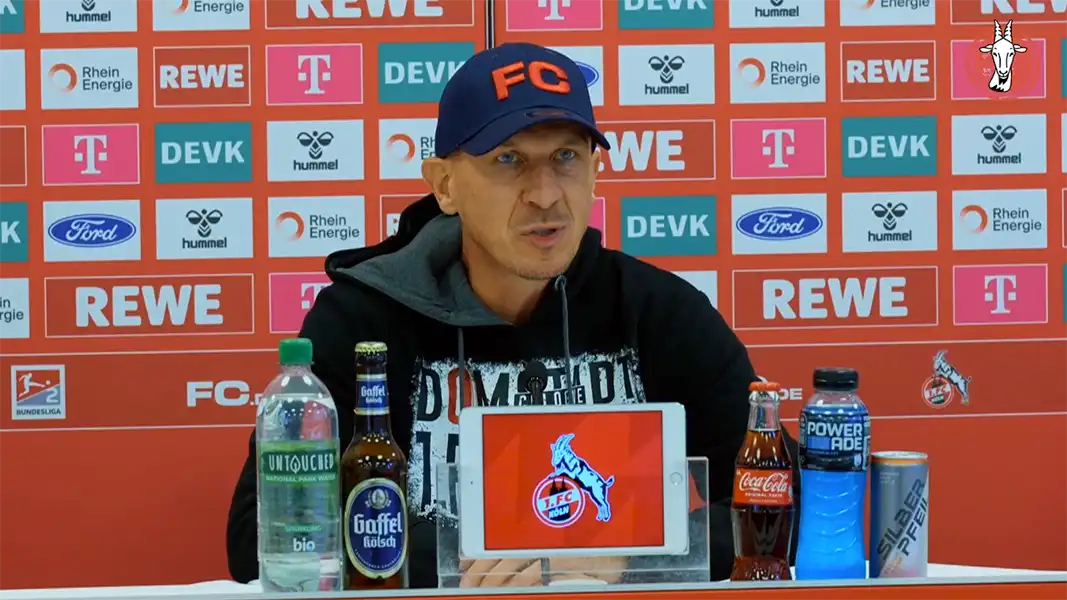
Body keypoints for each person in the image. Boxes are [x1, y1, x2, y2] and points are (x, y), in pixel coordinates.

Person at [225, 42, 801, 587]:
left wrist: (639, 553)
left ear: (596, 171)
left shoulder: (658, 311)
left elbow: (788, 506)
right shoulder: (362, 322)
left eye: (567, 157)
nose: (546, 194)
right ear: (444, 184)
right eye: (509, 161)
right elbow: (258, 541)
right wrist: (468, 553)